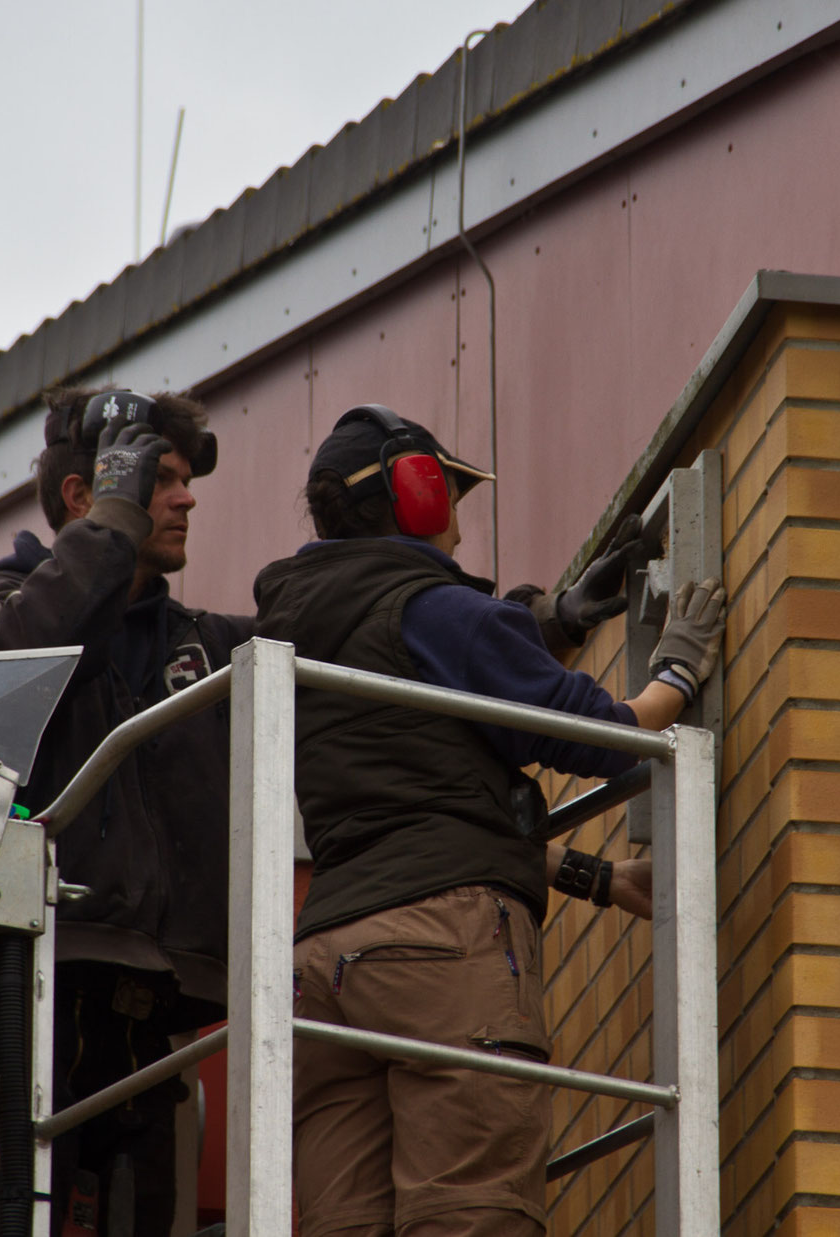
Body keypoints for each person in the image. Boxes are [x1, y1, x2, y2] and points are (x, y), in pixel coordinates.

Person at [252, 404, 725, 1237]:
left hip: (322, 969)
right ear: (417, 493)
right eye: (452, 498)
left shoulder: (297, 633)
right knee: (471, 1214)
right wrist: (678, 676)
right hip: (442, 955)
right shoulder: (434, 608)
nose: (461, 529)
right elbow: (603, 739)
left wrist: (600, 879)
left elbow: (433, 801)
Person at [0, 385, 248, 1237]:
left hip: (161, 1007)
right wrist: (109, 535)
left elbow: (356, 638)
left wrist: (534, 626)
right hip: (32, 990)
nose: (187, 498)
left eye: (187, 480)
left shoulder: (207, 645)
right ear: (86, 496)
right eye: (161, 478)